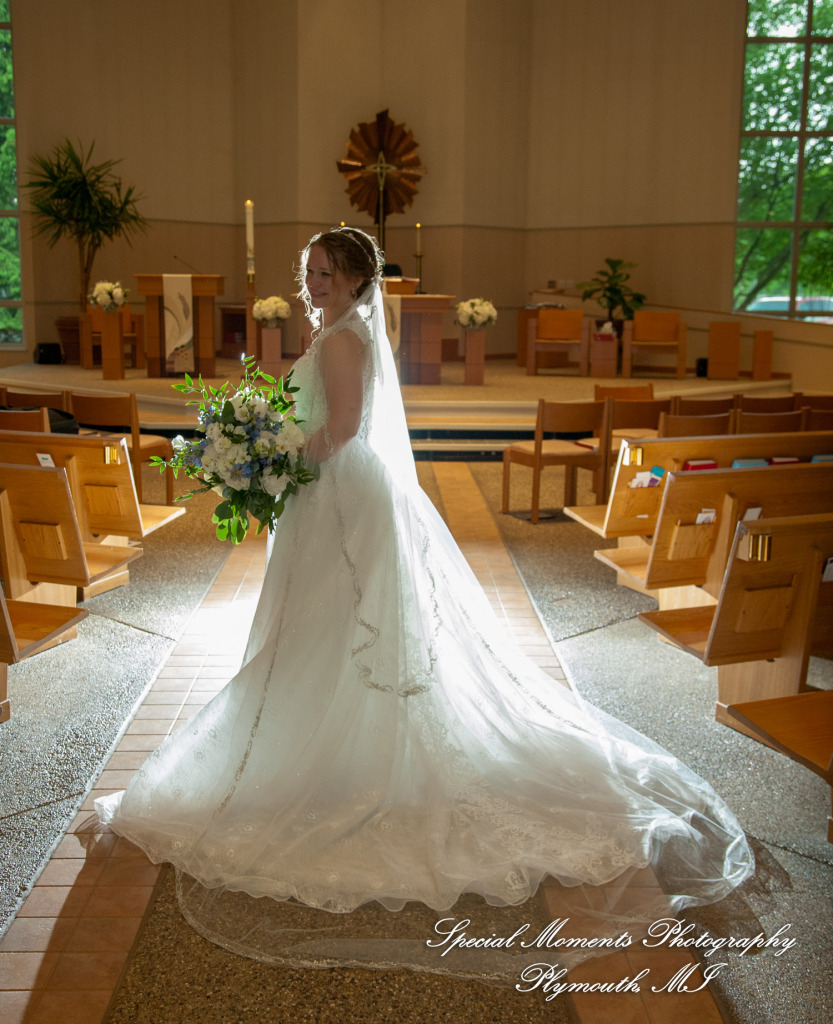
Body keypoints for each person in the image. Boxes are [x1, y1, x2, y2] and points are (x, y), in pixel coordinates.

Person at [96, 227, 753, 980]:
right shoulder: (339, 333)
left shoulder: (344, 341)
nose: (313, 282)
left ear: (353, 279)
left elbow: (342, 430)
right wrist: (269, 450)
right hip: (331, 495)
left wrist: (270, 455)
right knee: (323, 629)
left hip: (343, 497)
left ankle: (350, 757)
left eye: (324, 272)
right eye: (309, 270)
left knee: (340, 625)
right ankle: (334, 746)